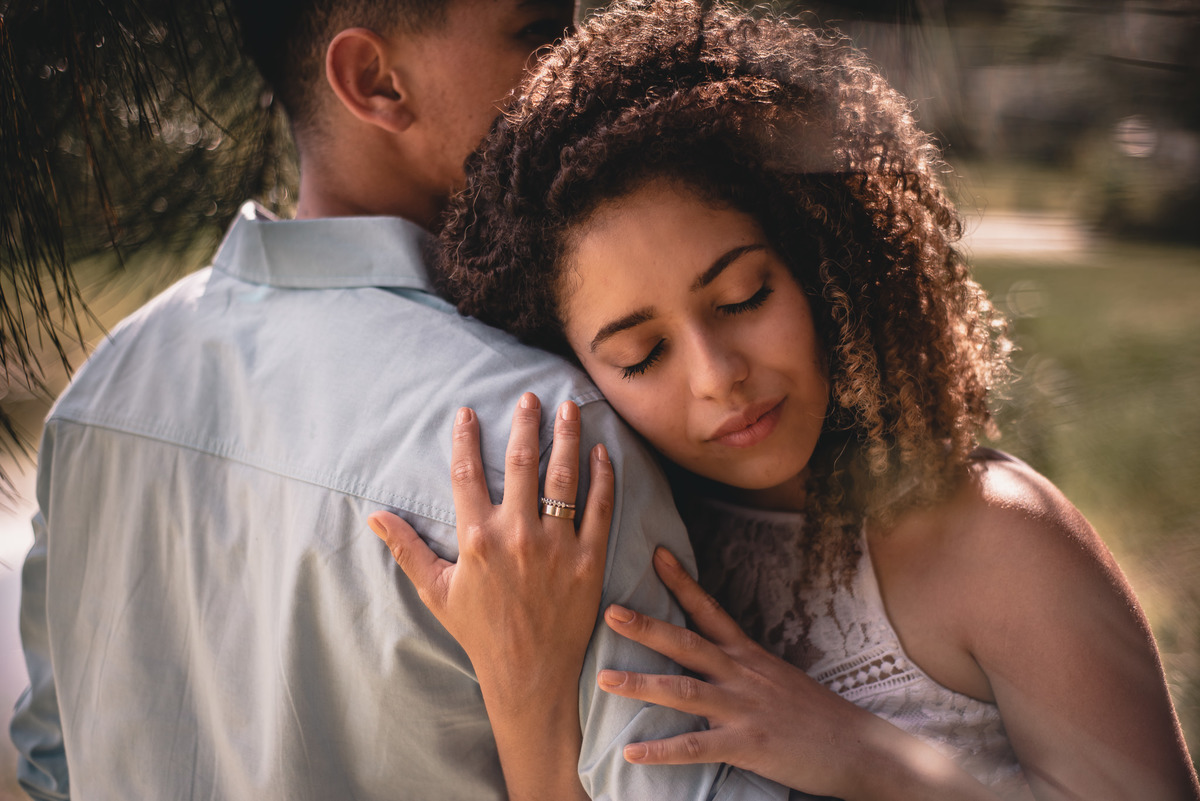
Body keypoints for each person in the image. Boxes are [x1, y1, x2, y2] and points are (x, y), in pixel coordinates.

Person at [369, 0, 1200, 799]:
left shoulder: (997, 539)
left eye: (741, 297)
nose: (715, 375)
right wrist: (525, 693)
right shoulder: (622, 557)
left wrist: (864, 755)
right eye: (641, 353)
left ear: (818, 255)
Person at [9, 1, 790, 799]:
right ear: (376, 83)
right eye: (539, 30)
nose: (575, 63)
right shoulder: (542, 444)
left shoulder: (101, 392)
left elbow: (50, 764)